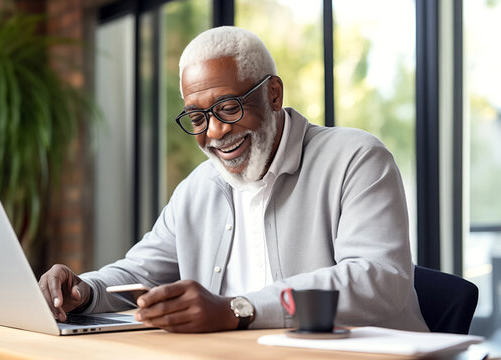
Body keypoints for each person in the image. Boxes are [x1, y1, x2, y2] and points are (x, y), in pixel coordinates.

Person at [38, 26, 429, 333]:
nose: (213, 133)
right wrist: (83, 291)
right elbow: (140, 272)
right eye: (197, 118)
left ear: (273, 94)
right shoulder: (198, 188)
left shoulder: (356, 158)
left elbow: (378, 278)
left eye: (227, 108)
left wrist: (237, 309)